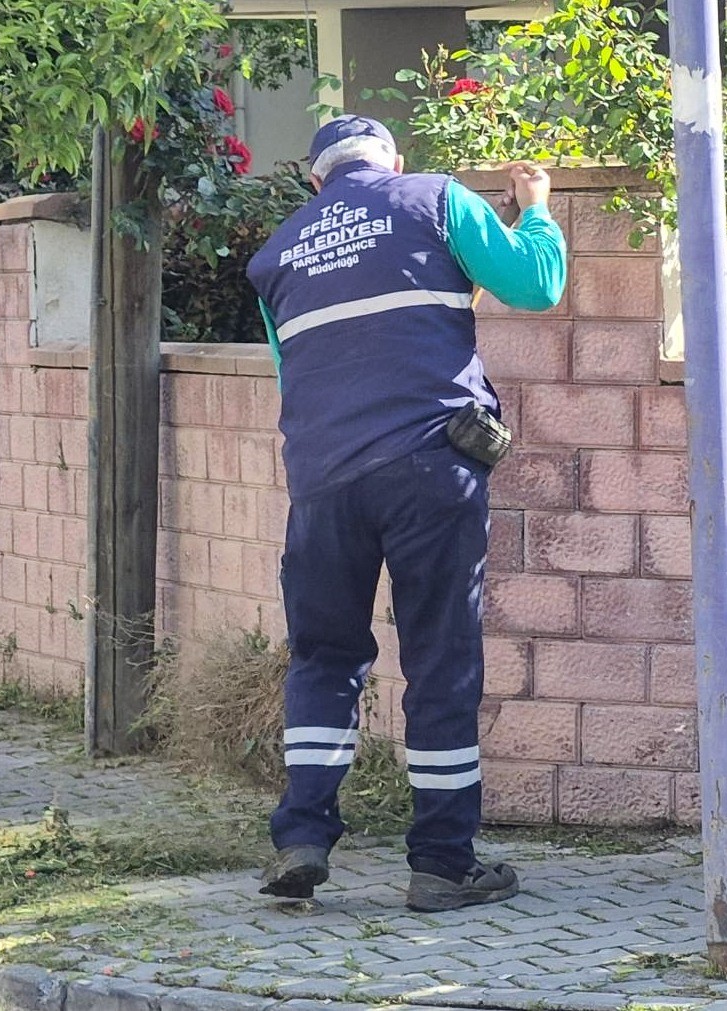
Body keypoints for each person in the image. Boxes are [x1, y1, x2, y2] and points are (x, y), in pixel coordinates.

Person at [246, 115, 566, 912]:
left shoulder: (275, 256)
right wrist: (535, 209)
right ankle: (443, 863)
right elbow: (537, 284)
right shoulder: (437, 199)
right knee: (439, 659)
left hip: (322, 482)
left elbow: (300, 372)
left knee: (323, 657)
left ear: (315, 181)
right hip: (429, 467)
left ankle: (301, 836)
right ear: (395, 162)